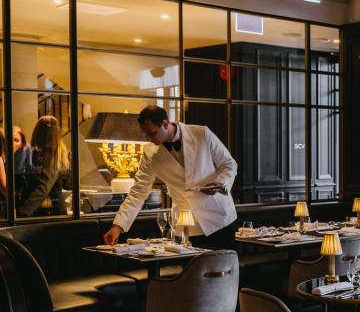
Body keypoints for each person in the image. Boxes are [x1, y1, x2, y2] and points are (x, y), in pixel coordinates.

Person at [103, 105, 238, 249]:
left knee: (225, 269)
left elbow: (229, 164)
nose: (149, 139)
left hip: (219, 218)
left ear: (165, 124)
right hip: (188, 225)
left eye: (152, 133)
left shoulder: (201, 133)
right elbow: (138, 192)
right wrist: (118, 226)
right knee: (193, 271)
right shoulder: (149, 153)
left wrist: (219, 183)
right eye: (146, 134)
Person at [17, 116, 71, 217]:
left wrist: (21, 213)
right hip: (49, 211)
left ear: (37, 132)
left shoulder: (54, 154)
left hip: (47, 213)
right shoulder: (57, 153)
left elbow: (43, 187)